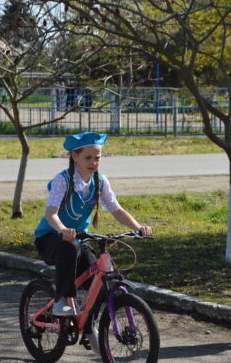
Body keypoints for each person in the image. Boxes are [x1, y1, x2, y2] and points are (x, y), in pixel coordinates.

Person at [34, 131, 152, 316]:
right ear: (75, 156)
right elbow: (51, 213)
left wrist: (138, 228)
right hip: (50, 238)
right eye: (88, 158)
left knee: (95, 272)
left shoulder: (100, 182)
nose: (94, 163)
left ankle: (89, 324)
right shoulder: (62, 180)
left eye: (97, 158)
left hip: (79, 239)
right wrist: (63, 229)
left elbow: (117, 210)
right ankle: (61, 299)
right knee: (70, 247)